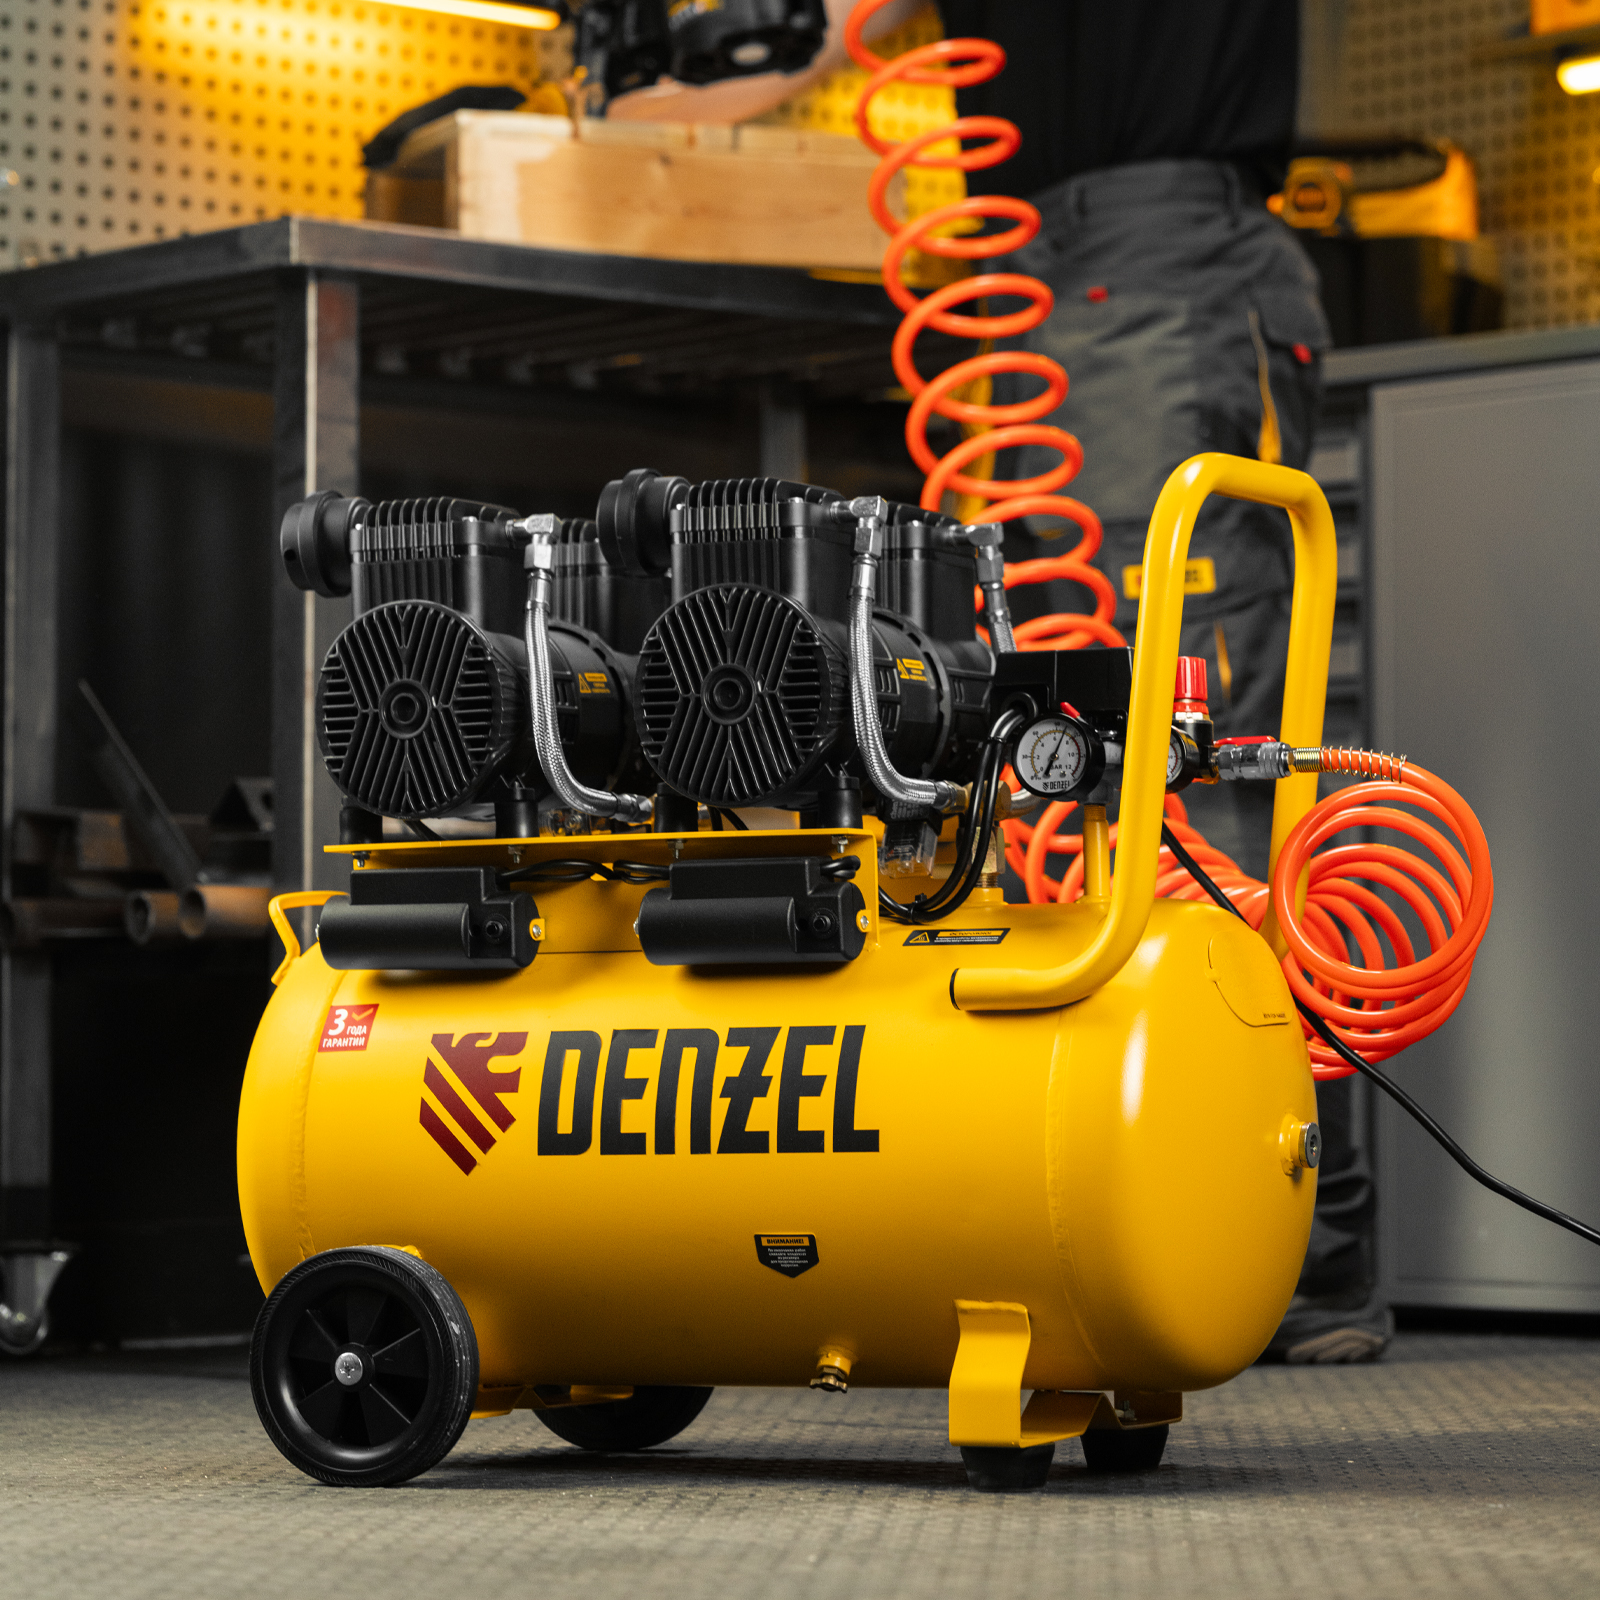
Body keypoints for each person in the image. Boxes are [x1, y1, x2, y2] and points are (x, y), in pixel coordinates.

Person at [614, 0, 1385, 1365]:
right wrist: (680, 86)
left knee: (1182, 756)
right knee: (1058, 746)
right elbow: (833, 23)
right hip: (1044, 269)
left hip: (1158, 259)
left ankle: (1288, 1237)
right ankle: (1125, 1198)